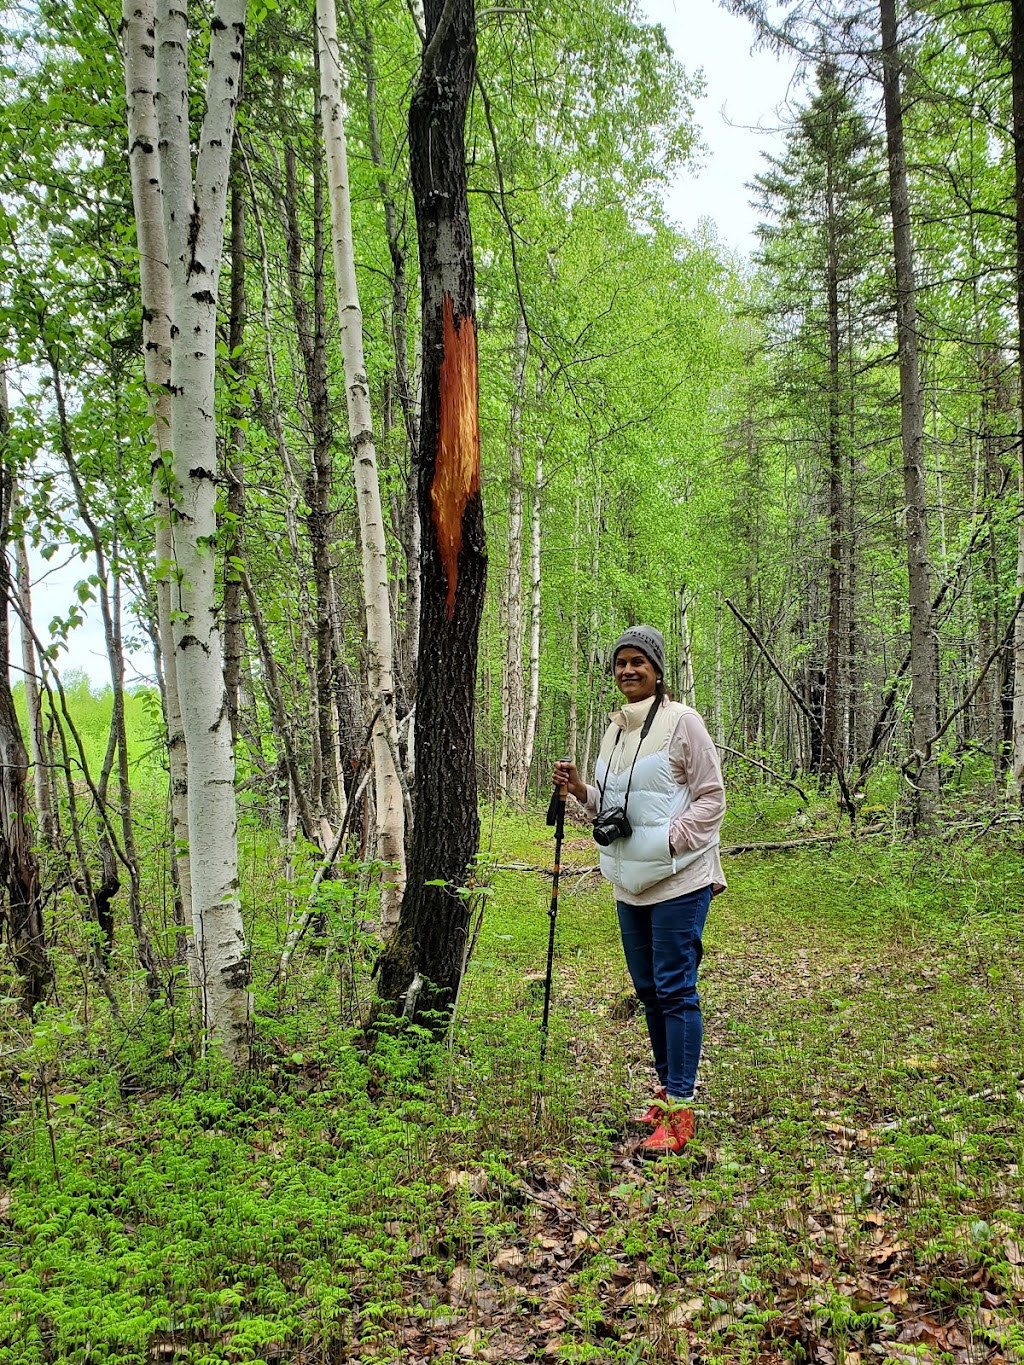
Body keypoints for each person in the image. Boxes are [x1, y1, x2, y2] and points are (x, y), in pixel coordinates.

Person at [553, 625, 726, 1156]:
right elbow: (611, 802)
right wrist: (581, 789)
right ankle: (666, 1092)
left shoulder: (682, 722)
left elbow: (711, 799)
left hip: (679, 878)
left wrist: (668, 843)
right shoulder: (616, 729)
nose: (628, 671)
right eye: (620, 663)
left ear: (657, 669)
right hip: (629, 882)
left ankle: (680, 1109)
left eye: (638, 662)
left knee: (675, 989)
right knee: (650, 990)